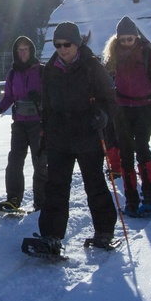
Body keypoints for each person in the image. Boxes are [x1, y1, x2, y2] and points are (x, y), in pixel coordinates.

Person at [34, 22, 120, 254]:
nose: (62, 49)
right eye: (58, 45)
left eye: (67, 44)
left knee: (94, 183)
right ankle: (51, 235)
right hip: (60, 136)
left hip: (88, 135)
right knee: (56, 186)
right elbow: (47, 106)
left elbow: (110, 101)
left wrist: (102, 115)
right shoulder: (51, 68)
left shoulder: (92, 66)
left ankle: (104, 230)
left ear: (77, 43)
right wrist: (46, 133)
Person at [102, 16, 151, 217]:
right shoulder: (112, 55)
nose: (126, 43)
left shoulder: (147, 53)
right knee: (125, 153)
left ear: (136, 37)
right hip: (122, 108)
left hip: (145, 107)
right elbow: (105, 81)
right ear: (117, 39)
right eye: (123, 39)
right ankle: (131, 199)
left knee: (142, 148)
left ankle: (148, 197)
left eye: (130, 39)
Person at [0, 36, 46, 212]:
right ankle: (13, 198)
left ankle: (41, 201)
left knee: (40, 162)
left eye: (26, 49)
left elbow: (52, 95)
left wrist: (40, 98)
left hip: (39, 123)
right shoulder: (13, 73)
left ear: (31, 51)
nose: (23, 53)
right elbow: (9, 96)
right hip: (19, 123)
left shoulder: (42, 71)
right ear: (15, 52)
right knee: (14, 161)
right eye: (19, 50)